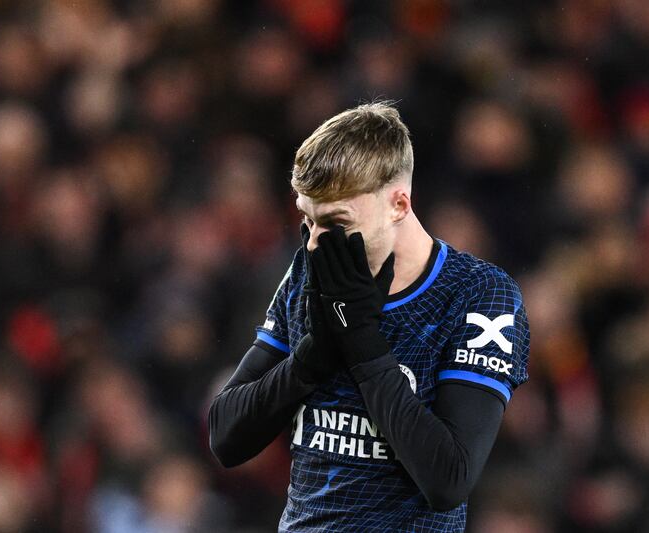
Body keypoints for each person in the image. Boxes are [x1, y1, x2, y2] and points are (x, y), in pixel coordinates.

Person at [208, 102, 530, 532]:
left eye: (336, 222)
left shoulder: (478, 294)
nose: (316, 243)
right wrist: (311, 359)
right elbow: (226, 437)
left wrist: (363, 345)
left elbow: (448, 479)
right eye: (307, 219)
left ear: (398, 204)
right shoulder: (308, 271)